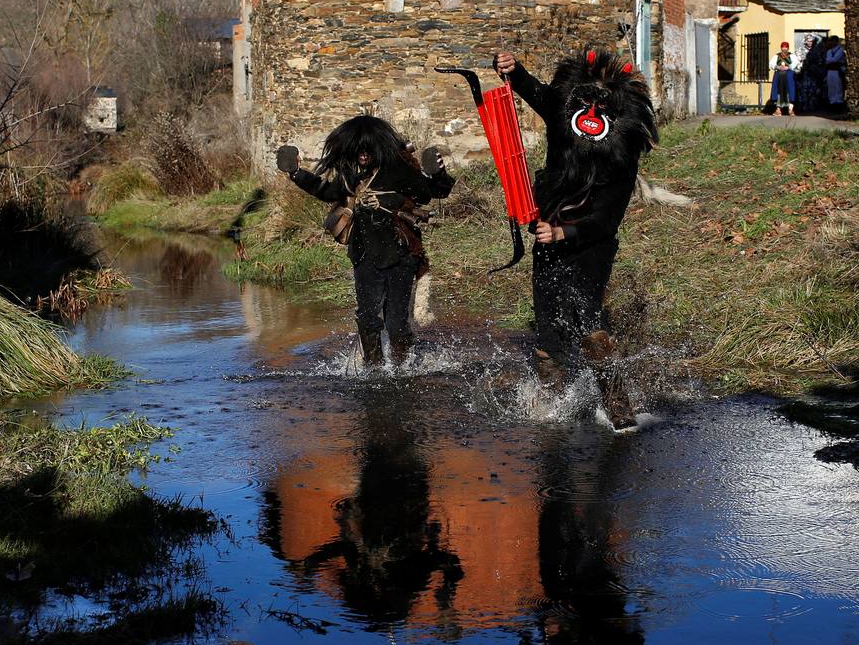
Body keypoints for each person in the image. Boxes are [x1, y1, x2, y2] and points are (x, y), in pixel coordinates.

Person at [492, 48, 657, 429]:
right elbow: (538, 93)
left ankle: (620, 413)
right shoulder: (562, 112)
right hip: (547, 238)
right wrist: (513, 71)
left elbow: (606, 220)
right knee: (548, 325)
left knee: (588, 323)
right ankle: (553, 410)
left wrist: (564, 232)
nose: (590, 115)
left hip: (590, 247)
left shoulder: (622, 154)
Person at [276, 116, 456, 366]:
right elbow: (327, 191)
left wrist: (439, 174)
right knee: (368, 318)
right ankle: (373, 369)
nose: (363, 154)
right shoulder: (350, 174)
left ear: (378, 146)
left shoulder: (397, 169)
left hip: (400, 256)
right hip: (364, 256)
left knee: (396, 324)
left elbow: (432, 192)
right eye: (358, 148)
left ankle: (403, 368)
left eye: (368, 148)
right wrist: (296, 174)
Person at [796, 35, 826, 115]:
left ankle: (814, 107)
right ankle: (804, 108)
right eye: (808, 41)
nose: (810, 43)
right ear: (805, 41)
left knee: (815, 91)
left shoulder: (817, 51)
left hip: (815, 75)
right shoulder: (800, 50)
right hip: (804, 74)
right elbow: (797, 62)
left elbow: (821, 61)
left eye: (812, 41)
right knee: (804, 91)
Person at [770, 41, 798, 116]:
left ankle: (790, 109)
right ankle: (778, 110)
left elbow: (795, 63)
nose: (784, 48)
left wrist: (788, 67)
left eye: (785, 47)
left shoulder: (792, 56)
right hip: (778, 75)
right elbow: (772, 64)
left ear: (788, 48)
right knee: (778, 91)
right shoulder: (776, 56)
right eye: (783, 47)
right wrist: (777, 67)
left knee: (790, 91)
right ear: (781, 47)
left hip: (788, 75)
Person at [822, 36, 846, 114]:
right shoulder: (829, 51)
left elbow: (835, 59)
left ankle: (838, 104)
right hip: (830, 71)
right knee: (831, 88)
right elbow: (828, 60)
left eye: (833, 41)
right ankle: (832, 104)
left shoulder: (840, 50)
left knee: (838, 88)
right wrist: (830, 61)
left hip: (837, 71)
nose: (831, 43)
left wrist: (830, 61)